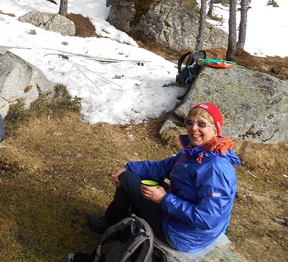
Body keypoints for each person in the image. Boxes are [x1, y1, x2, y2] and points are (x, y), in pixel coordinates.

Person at [86, 102, 241, 253]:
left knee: (127, 179)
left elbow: (207, 219)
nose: (194, 128)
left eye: (202, 124)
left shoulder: (216, 168)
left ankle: (110, 224)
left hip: (181, 235)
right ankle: (122, 220)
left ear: (216, 130)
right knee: (135, 175)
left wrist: (163, 199)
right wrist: (129, 166)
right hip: (183, 221)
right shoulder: (195, 152)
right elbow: (161, 167)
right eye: (190, 122)